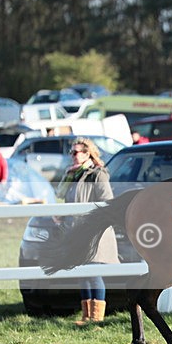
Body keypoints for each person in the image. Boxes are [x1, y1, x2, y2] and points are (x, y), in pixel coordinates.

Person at [56, 138, 118, 325]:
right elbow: (62, 197)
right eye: (71, 153)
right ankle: (86, 316)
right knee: (82, 272)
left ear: (87, 153)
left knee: (93, 273)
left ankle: (97, 318)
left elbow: (107, 200)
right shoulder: (72, 175)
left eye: (77, 152)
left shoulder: (98, 174)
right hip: (76, 231)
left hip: (94, 231)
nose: (73, 156)